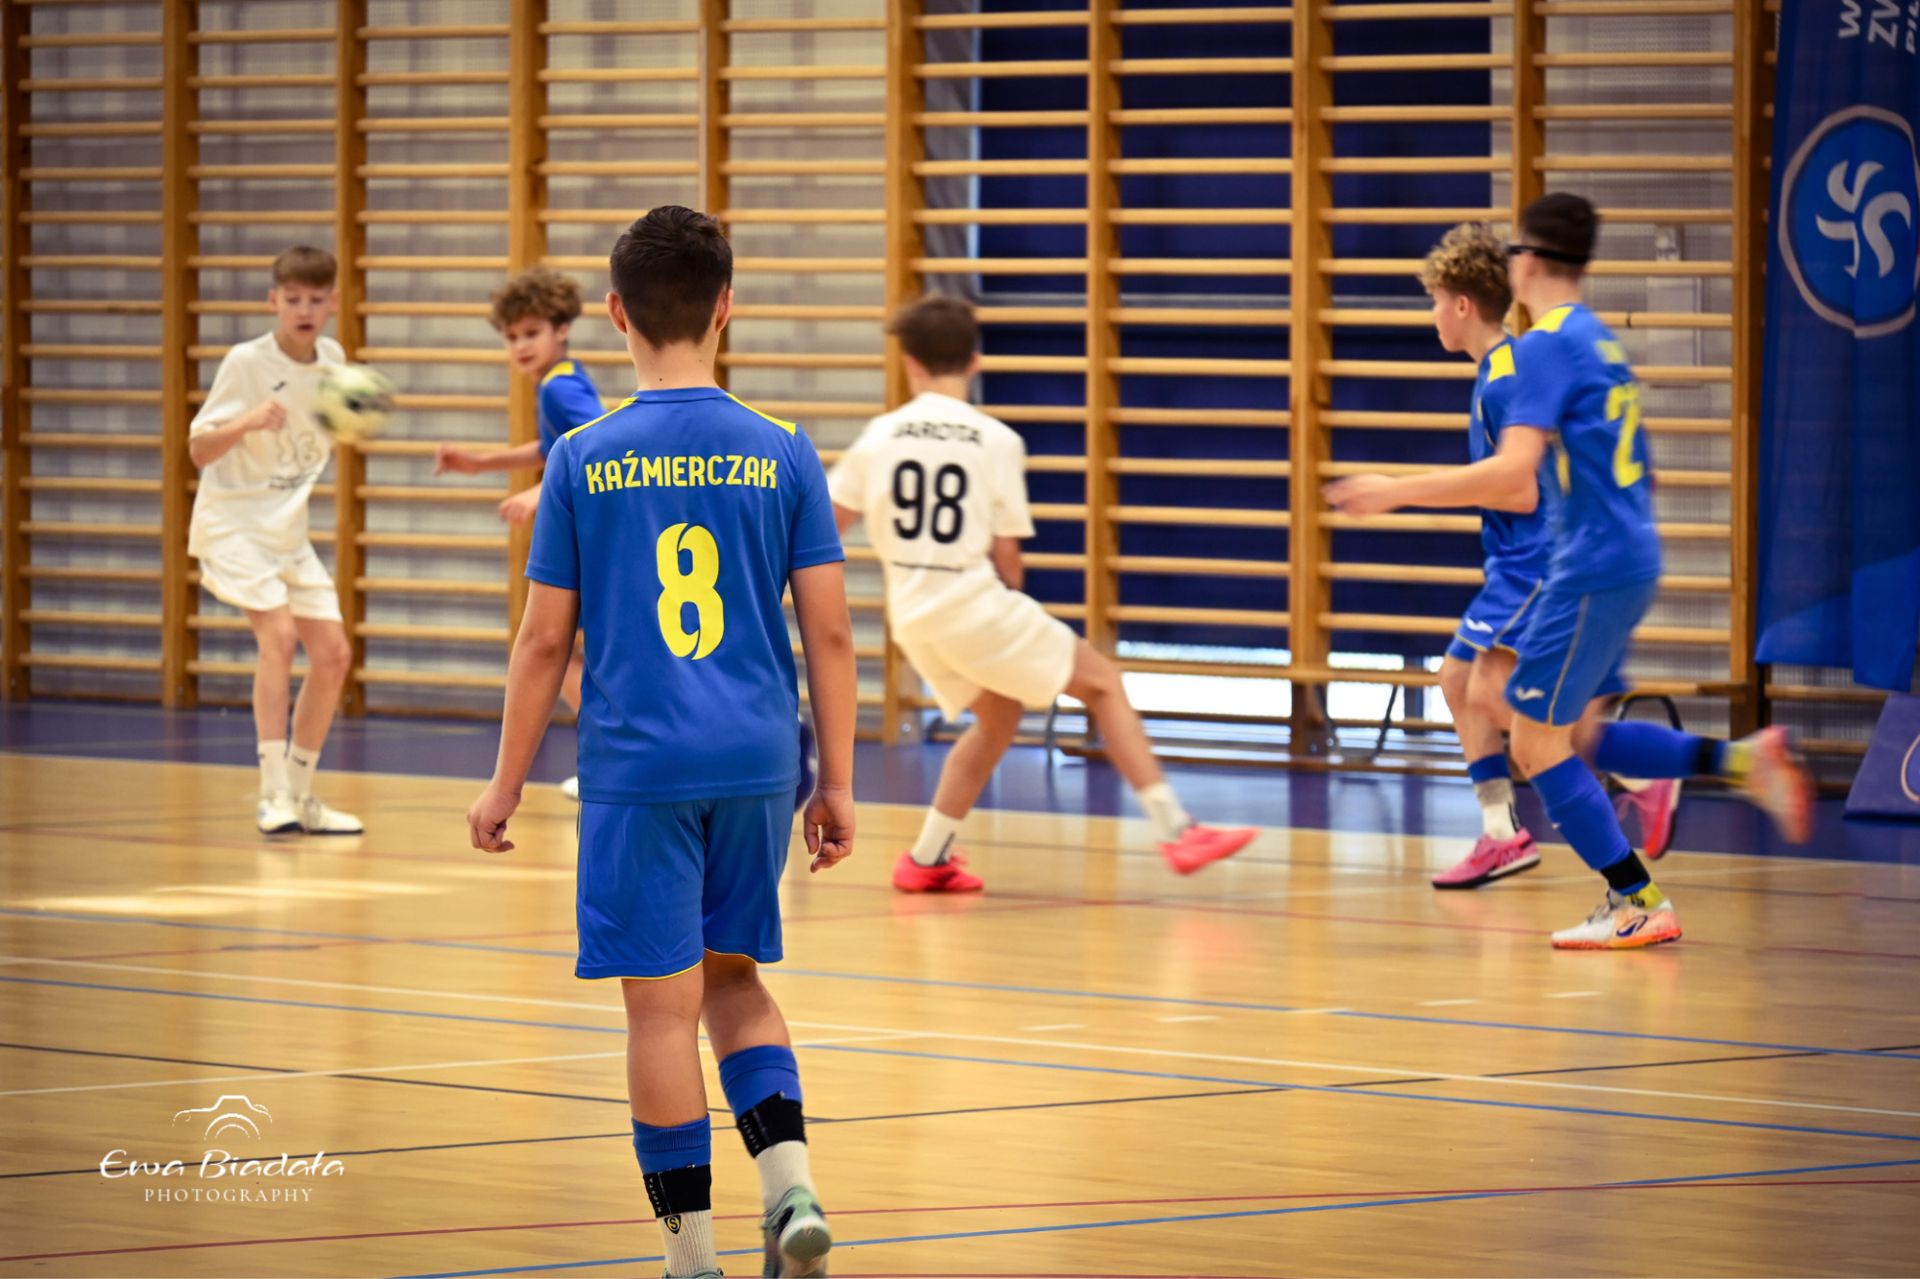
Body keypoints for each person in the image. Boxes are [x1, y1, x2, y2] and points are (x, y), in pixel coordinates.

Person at [466, 205, 855, 1278]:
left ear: (615, 313)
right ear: (727, 307)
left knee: (659, 1015)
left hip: (639, 768)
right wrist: (837, 783)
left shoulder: (584, 456)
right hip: (758, 762)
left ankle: (692, 1260)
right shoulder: (783, 448)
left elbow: (544, 642)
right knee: (736, 982)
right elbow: (829, 632)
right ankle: (791, 1189)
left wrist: (504, 783)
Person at [1326, 193, 1811, 949]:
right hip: (1624, 555)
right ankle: (1733, 762)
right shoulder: (1597, 340)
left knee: (1531, 738)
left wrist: (1394, 491)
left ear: (1526, 261)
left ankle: (1635, 897)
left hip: (1585, 565)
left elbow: (1515, 477)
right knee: (1566, 731)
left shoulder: (1541, 347)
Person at [828, 295, 1255, 893]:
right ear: (974, 360)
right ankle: (1177, 830)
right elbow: (1007, 554)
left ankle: (925, 860)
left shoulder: (880, 436)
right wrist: (1009, 601)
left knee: (997, 717)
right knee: (1103, 682)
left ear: (909, 362)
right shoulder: (995, 439)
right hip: (971, 603)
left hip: (913, 615)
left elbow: (829, 523)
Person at [1410, 224, 1680, 891]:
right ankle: (1504, 832)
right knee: (1465, 686)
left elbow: (1523, 488)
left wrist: (1406, 491)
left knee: (1503, 704)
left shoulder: (1508, 376)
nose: (1433, 315)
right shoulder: (1499, 370)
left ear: (1462, 304)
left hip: (1532, 564)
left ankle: (1632, 778)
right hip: (1517, 562)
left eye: (1436, 301)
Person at [187, 245, 361, 836]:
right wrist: (247, 421)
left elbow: (334, 425)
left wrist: (357, 415)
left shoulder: (333, 359)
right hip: (234, 525)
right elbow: (198, 449)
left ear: (333, 303)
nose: (304, 310)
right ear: (273, 302)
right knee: (280, 638)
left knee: (333, 655)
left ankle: (302, 795)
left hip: (287, 530)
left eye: (315, 299)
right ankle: (271, 793)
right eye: (293, 299)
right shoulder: (246, 362)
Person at [436, 267, 603, 800]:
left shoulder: (560, 386)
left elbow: (595, 440)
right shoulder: (560, 380)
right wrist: (480, 463)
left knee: (566, 655)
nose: (521, 346)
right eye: (512, 336)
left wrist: (538, 491)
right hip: (590, 535)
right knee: (579, 657)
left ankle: (611, 756)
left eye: (532, 333)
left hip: (591, 537)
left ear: (562, 329)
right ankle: (611, 755)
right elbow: (552, 446)